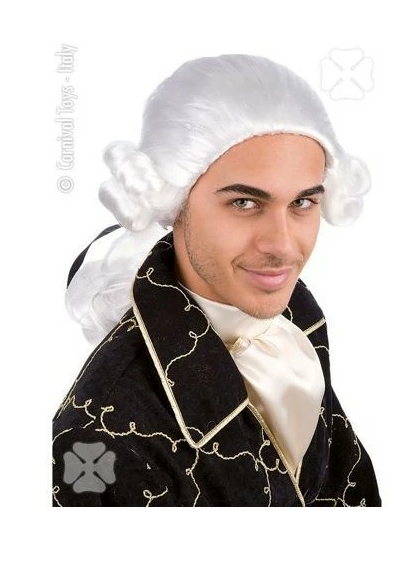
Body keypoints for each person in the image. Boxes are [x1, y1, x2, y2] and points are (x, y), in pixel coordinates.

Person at [52, 53, 381, 507]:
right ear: (176, 203)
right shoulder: (100, 436)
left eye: (302, 203)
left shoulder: (294, 318)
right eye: (244, 203)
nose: (283, 245)